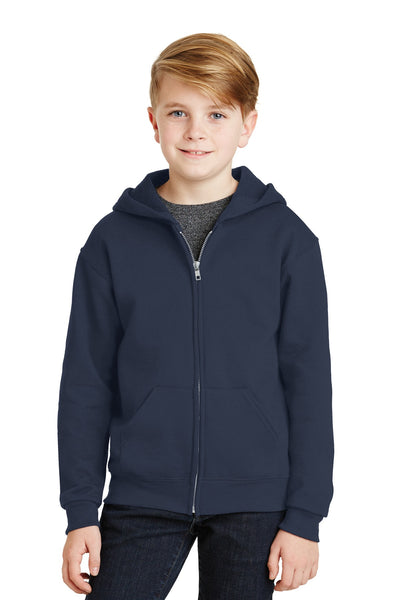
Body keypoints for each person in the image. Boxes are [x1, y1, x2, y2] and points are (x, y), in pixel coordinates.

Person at [58, 32, 334, 599]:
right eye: (178, 112)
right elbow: (86, 382)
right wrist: (81, 510)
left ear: (247, 125)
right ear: (153, 121)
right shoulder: (112, 241)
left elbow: (309, 384)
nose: (196, 131)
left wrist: (305, 517)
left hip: (256, 501)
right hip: (141, 494)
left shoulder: (288, 241)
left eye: (217, 114)